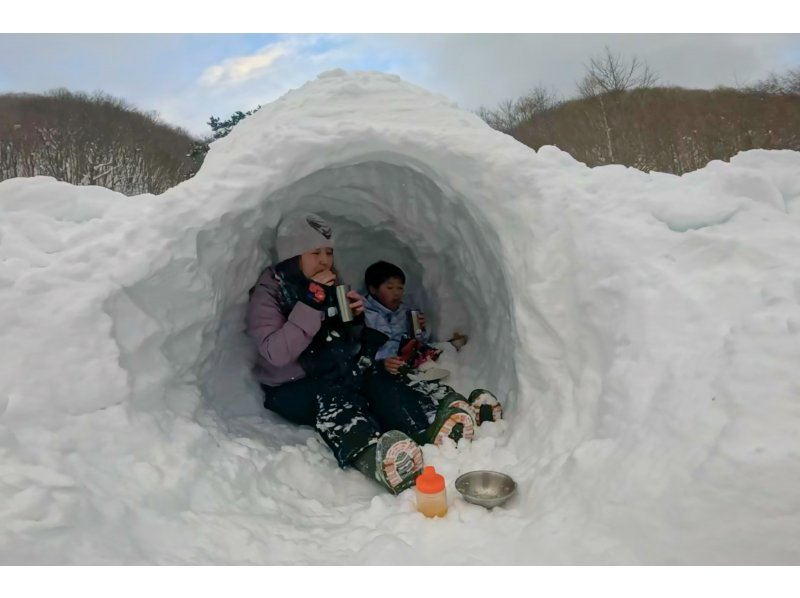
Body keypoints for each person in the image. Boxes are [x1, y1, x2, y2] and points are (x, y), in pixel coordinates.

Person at [246, 213, 474, 495]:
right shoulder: (271, 293)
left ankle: (428, 422)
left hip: (334, 369)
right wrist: (312, 303)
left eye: (329, 252)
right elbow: (276, 353)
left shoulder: (331, 285)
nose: (324, 260)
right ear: (292, 257)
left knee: (375, 378)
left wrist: (353, 319)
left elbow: (343, 341)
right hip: (293, 386)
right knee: (337, 400)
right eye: (315, 252)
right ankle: (372, 455)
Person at [363, 260, 504, 426]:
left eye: (400, 288)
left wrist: (419, 329)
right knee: (411, 390)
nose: (396, 293)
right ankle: (435, 420)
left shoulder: (405, 311)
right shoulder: (363, 312)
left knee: (427, 383)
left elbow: (419, 339)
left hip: (405, 361)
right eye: (390, 287)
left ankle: (462, 408)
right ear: (373, 289)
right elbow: (360, 349)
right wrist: (381, 362)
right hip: (381, 370)